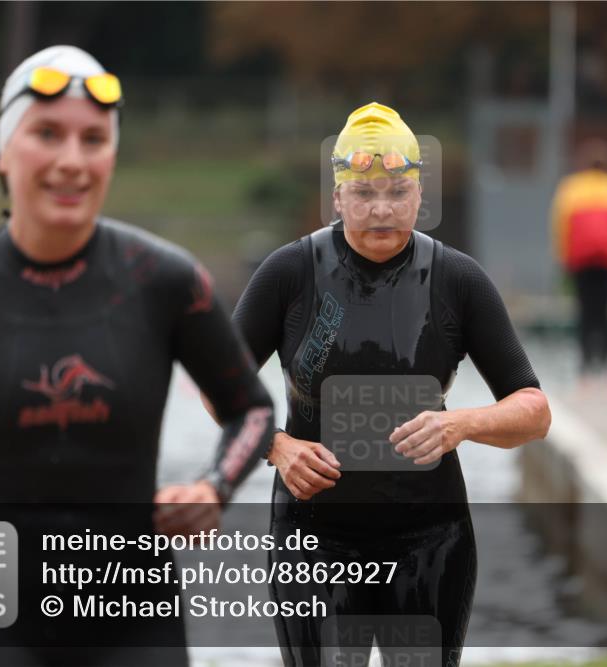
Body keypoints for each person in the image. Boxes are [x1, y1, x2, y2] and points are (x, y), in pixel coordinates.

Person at [0, 46, 274, 666]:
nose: (71, 161)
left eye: (93, 139)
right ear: (3, 147)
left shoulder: (161, 281)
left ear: (112, 154)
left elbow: (254, 410)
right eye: (47, 134)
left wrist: (215, 487)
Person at [230, 102, 551, 667]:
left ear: (421, 196)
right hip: (313, 536)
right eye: (364, 192)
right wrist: (277, 448)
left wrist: (461, 423)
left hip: (430, 537)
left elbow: (534, 409)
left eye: (398, 192)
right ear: (337, 196)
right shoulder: (288, 273)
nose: (381, 209)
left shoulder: (458, 280)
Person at [550, 139, 607, 382]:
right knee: (606, 310)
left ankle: (585, 366)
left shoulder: (571, 188)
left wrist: (563, 254)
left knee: (584, 311)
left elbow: (561, 224)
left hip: (580, 259)